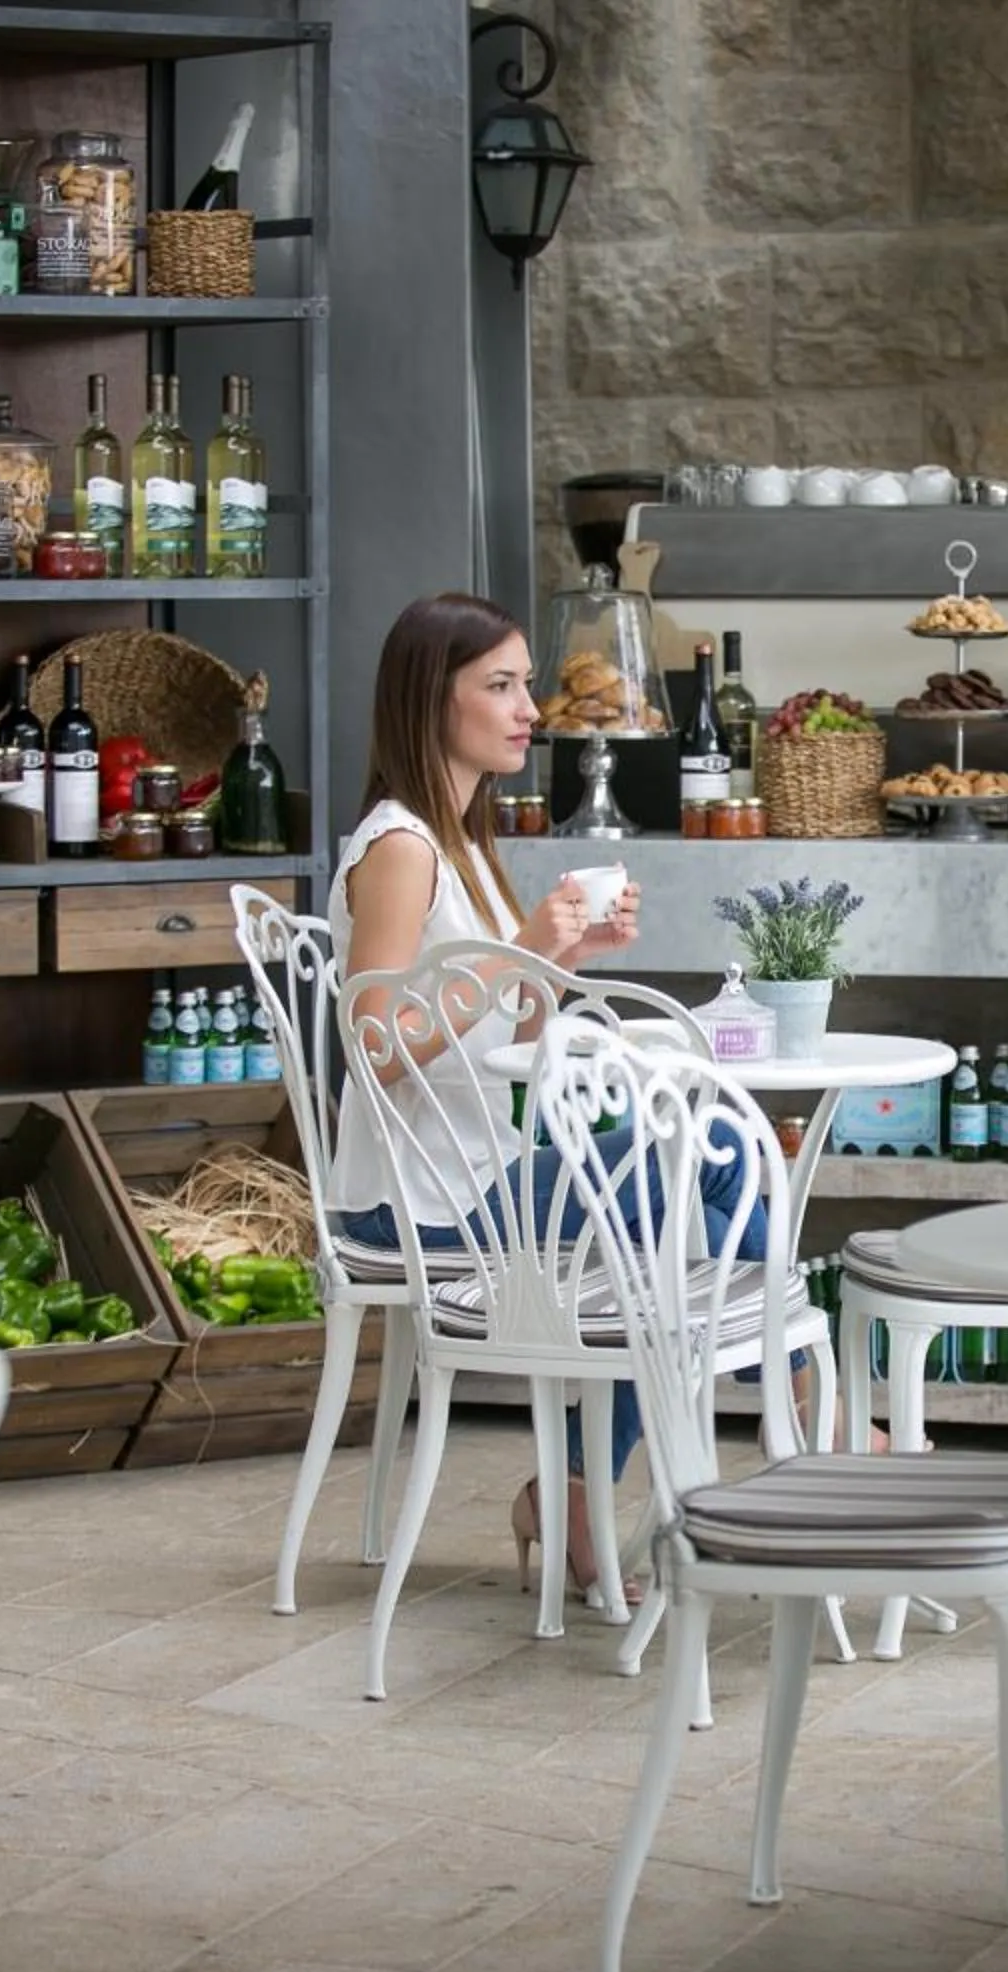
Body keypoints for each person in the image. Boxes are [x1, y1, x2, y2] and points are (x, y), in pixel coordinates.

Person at [324, 591, 767, 1605]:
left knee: (722, 1155)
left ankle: (593, 1479)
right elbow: (374, 1044)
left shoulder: (469, 840)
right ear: (429, 700)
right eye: (501, 685)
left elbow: (506, 1040)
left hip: (482, 1171)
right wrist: (525, 949)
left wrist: (563, 959)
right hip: (421, 1200)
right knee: (664, 1182)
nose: (530, 707)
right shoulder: (402, 846)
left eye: (525, 684)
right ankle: (780, 1408)